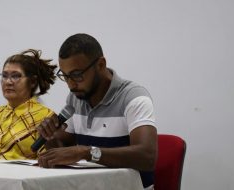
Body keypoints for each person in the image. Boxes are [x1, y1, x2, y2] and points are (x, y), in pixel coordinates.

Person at [37, 33, 158, 189]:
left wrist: (87, 153)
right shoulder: (76, 98)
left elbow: (147, 157)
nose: (71, 84)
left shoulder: (133, 97)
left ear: (100, 65)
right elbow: (62, 150)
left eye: (77, 75)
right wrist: (50, 136)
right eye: (65, 76)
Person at [0, 49, 57, 160]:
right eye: (4, 76)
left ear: (32, 82)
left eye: (16, 76)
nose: (8, 82)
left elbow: (44, 161)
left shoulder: (46, 117)